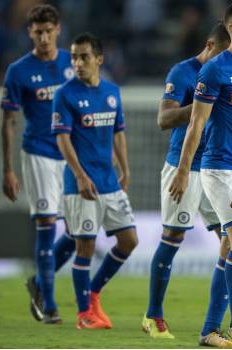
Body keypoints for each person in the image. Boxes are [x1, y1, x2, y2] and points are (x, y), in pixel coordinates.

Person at [168, 1, 232, 347]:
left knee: (229, 248)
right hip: (217, 168)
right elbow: (195, 125)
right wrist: (183, 171)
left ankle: (210, 331)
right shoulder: (214, 70)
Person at [141, 20, 229, 342]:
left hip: (215, 167)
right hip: (184, 167)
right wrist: (203, 105)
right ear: (209, 46)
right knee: (172, 237)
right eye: (220, 54)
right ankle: (153, 315)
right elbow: (164, 119)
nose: (223, 61)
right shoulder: (182, 72)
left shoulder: (231, 73)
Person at [52, 33, 138, 330]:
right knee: (85, 247)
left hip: (109, 182)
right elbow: (62, 138)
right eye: (74, 57)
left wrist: (125, 168)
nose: (77, 63)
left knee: (129, 241)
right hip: (80, 186)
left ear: (99, 59)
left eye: (84, 56)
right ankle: (83, 314)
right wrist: (79, 175)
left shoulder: (112, 91)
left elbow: (118, 133)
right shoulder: (65, 94)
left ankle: (94, 292)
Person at [0, 4, 76, 324]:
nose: (44, 37)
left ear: (58, 30)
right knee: (46, 226)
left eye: (49, 31)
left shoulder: (74, 64)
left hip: (71, 155)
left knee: (77, 232)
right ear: (30, 33)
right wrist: (8, 169)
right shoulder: (18, 71)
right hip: (38, 154)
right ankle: (50, 305)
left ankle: (39, 282)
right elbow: (8, 121)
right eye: (38, 32)